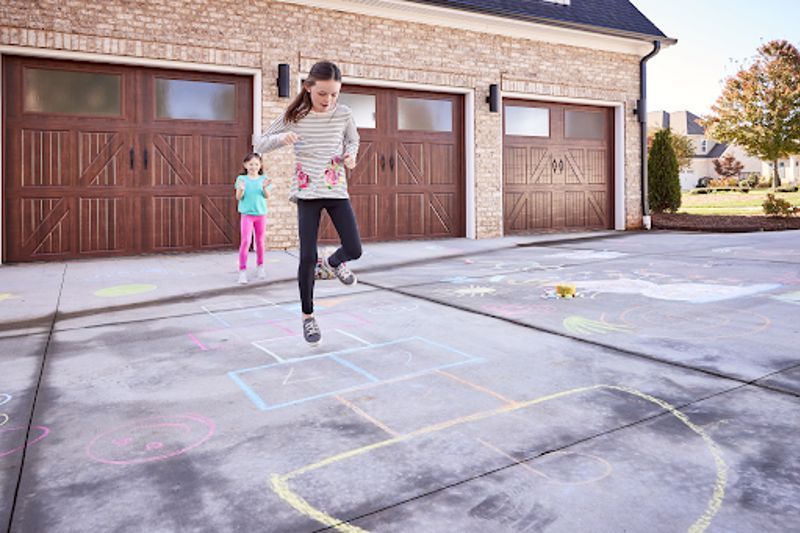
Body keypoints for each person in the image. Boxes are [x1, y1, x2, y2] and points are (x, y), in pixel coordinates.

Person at [255, 61, 361, 346]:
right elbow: (260, 143)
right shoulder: (296, 115)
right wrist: (282, 138)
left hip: (336, 188)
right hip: (307, 192)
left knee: (354, 249)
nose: (328, 100)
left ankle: (334, 262)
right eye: (322, 94)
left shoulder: (344, 114)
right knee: (305, 258)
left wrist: (350, 156)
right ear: (308, 88)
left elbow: (353, 140)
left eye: (334, 94)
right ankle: (308, 317)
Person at [235, 152, 272, 284]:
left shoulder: (264, 179)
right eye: (250, 164)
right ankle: (242, 271)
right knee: (245, 241)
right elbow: (238, 197)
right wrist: (242, 189)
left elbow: (267, 196)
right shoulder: (241, 179)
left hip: (261, 215)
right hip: (247, 215)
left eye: (256, 164)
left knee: (260, 242)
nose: (253, 166)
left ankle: (260, 266)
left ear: (260, 165)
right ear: (245, 165)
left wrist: (264, 187)